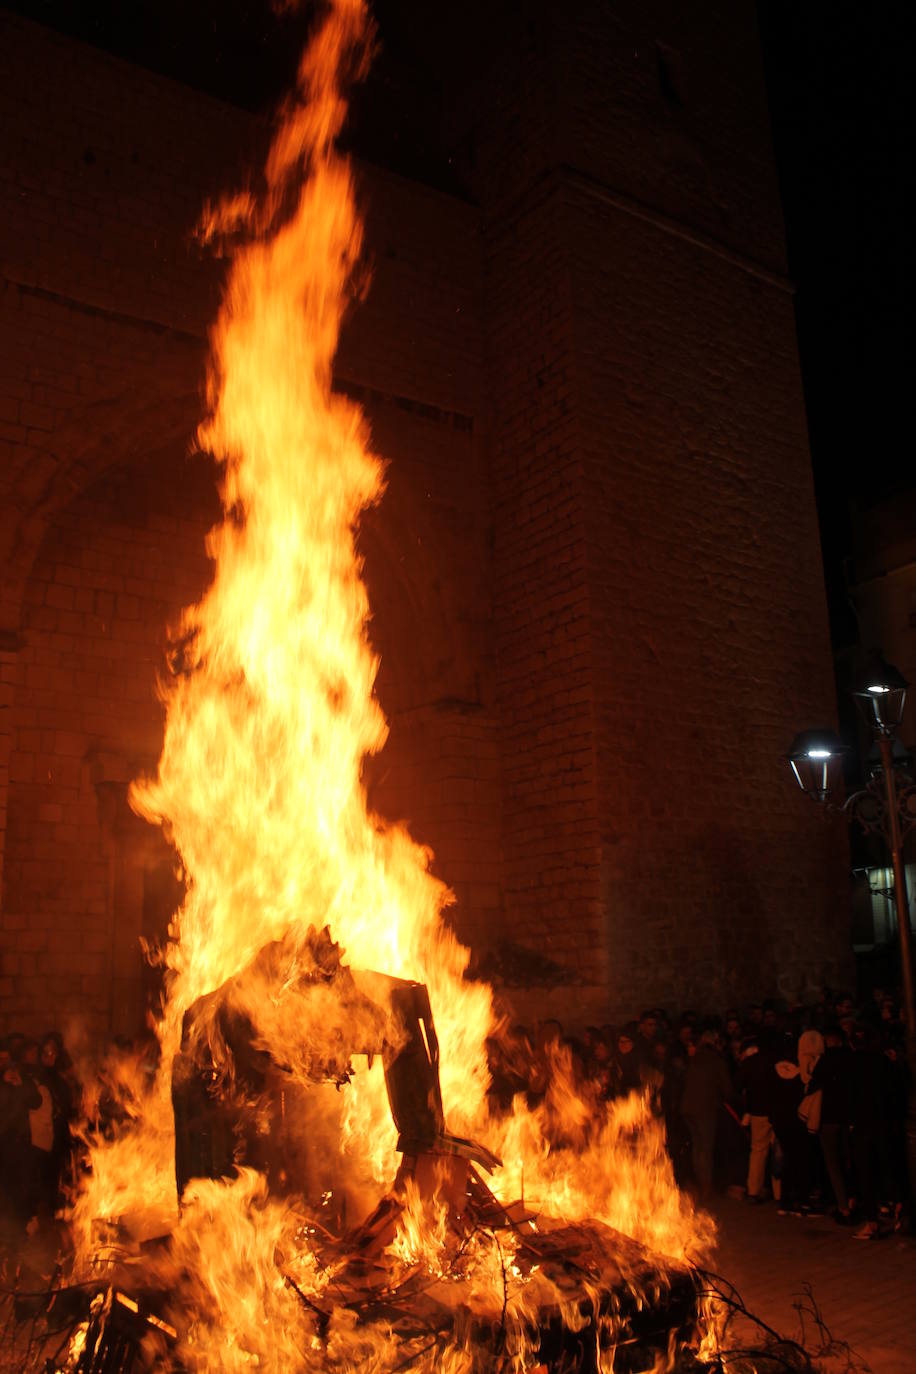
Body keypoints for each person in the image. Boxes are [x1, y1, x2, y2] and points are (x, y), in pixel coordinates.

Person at [681, 1020, 737, 1198]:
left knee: (697, 1147)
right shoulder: (716, 1060)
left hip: (687, 1107)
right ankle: (706, 1187)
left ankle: (699, 1183)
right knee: (705, 1148)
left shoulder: (693, 1057)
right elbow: (727, 1087)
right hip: (704, 1109)